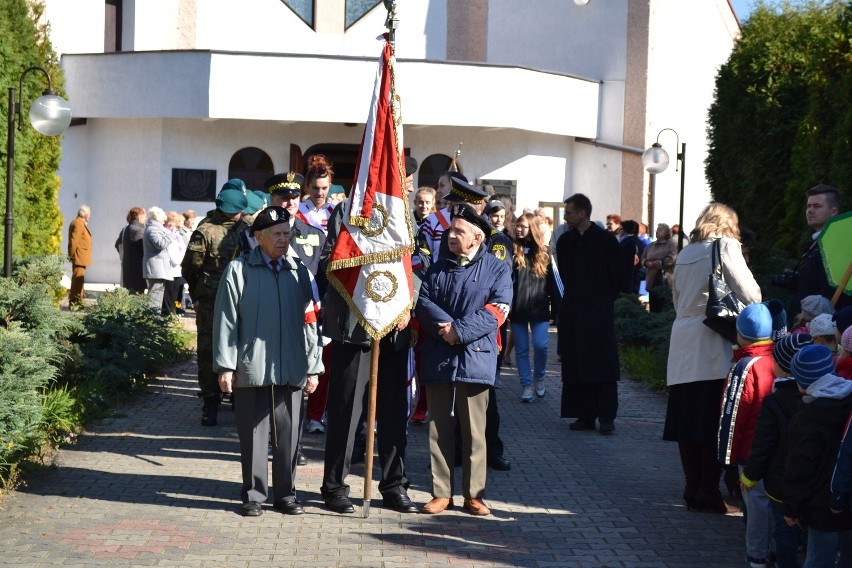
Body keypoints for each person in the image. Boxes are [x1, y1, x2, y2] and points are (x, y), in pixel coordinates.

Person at [213, 206, 323, 517]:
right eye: (276, 234)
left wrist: (314, 366)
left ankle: (286, 495)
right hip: (252, 366)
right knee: (253, 435)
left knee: (288, 435)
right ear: (258, 236)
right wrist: (225, 365)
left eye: (287, 234)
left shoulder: (299, 271)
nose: (283, 239)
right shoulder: (239, 270)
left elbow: (310, 321)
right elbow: (225, 321)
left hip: (292, 366)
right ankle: (253, 495)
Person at [318, 181, 418, 516]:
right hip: (354, 326)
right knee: (346, 412)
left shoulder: (404, 214)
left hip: (394, 328)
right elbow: (328, 260)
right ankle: (334, 487)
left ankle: (393, 485)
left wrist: (407, 303)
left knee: (393, 412)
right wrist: (363, 281)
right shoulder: (345, 211)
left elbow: (415, 263)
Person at [664, 202, 761, 514]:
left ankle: (692, 487)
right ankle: (708, 490)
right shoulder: (726, 245)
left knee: (686, 420)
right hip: (712, 339)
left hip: (682, 338)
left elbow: (677, 300)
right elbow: (751, 293)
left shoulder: (687, 252)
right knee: (711, 421)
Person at [416, 203, 513, 516]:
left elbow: (498, 309)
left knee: (475, 433)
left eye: (459, 231)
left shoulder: (496, 267)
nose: (451, 235)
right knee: (439, 430)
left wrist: (458, 331)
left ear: (477, 237)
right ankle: (441, 493)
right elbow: (424, 302)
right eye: (450, 230)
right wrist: (446, 330)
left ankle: (474, 495)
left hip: (476, 358)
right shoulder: (437, 266)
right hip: (439, 356)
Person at [741, 333, 813, 568]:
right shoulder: (819, 399)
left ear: (780, 365)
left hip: (780, 479)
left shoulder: (774, 402)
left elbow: (763, 444)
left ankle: (784, 562)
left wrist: (750, 476)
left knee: (784, 528)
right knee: (807, 529)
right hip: (813, 479)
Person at [182, 181, 248, 426]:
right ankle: (238, 399)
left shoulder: (204, 229)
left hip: (210, 299)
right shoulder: (250, 229)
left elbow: (190, 267)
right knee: (239, 347)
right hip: (241, 300)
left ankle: (210, 406)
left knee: (208, 350)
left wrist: (197, 292)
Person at [556, 193, 622, 434]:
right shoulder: (566, 241)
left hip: (598, 312)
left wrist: (602, 301)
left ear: (582, 213)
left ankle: (606, 416)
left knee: (602, 364)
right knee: (576, 362)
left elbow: (617, 276)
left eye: (569, 212)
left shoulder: (605, 241)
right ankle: (584, 414)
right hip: (573, 311)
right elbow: (563, 274)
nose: (566, 217)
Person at [717, 303, 777, 567]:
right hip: (779, 447)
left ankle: (756, 555)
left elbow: (734, 414)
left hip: (751, 449)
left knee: (755, 504)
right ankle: (777, 550)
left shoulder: (745, 366)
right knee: (774, 500)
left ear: (740, 334)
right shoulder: (780, 358)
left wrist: (727, 453)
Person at [784, 345, 852, 566]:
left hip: (820, 507)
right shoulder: (847, 402)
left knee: (817, 558)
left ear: (804, 382)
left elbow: (799, 468)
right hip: (846, 499)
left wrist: (791, 507)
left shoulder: (808, 418)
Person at [511, 212, 554, 403]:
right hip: (518, 308)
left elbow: (554, 283)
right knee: (520, 349)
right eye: (517, 226)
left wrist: (559, 307)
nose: (519, 229)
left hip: (540, 308)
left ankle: (540, 377)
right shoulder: (513, 251)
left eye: (523, 226)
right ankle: (526, 385)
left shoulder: (545, 253)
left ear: (533, 229)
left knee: (541, 346)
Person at [792, 185, 849, 314]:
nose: (810, 210)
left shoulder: (837, 244)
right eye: (808, 206)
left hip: (823, 321)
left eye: (817, 206)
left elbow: (830, 288)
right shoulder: (814, 242)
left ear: (833, 212)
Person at [142, 207, 178, 314]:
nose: (165, 220)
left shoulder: (155, 228)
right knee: (154, 295)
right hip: (156, 268)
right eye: (163, 218)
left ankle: (154, 318)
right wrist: (172, 234)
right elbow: (160, 244)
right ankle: (151, 318)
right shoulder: (153, 229)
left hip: (159, 268)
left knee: (158, 294)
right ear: (157, 217)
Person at [641, 223, 678, 312]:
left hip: (665, 279)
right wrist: (646, 263)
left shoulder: (671, 245)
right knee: (653, 305)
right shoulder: (650, 245)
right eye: (657, 230)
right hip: (652, 279)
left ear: (666, 232)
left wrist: (657, 263)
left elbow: (671, 259)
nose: (657, 232)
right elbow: (643, 258)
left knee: (664, 305)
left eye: (659, 230)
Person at [297, 154, 336, 234]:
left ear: (330, 186)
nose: (320, 193)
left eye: (324, 188)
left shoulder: (336, 212)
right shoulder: (297, 210)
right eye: (315, 188)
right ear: (307, 186)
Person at [67, 205, 92, 307]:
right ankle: (74, 302)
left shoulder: (80, 223)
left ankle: (78, 301)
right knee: (77, 280)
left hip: (81, 257)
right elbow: (74, 241)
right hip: (79, 257)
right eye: (89, 214)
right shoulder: (78, 223)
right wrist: (72, 256)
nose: (90, 216)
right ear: (85, 214)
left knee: (79, 280)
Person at [117, 207, 146, 294]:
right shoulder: (138, 230)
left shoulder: (126, 228)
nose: (146, 219)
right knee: (137, 295)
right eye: (145, 216)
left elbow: (118, 245)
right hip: (137, 269)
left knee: (132, 294)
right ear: (139, 216)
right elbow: (145, 248)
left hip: (129, 267)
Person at [617, 220, 644, 295]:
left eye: (621, 229)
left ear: (626, 230)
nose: (619, 231)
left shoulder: (629, 242)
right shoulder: (636, 241)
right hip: (633, 276)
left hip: (628, 277)